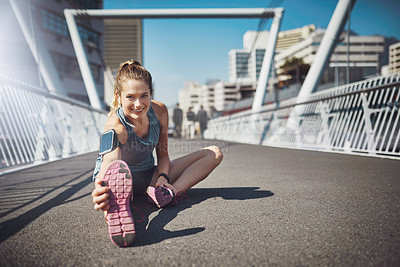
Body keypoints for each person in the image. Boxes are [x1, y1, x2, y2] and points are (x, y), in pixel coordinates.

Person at [91, 60, 223, 247]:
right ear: (118, 96)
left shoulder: (160, 111)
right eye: (130, 97)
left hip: (148, 177)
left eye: (144, 95)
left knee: (214, 153)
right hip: (117, 180)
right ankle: (116, 211)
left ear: (151, 93)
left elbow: (162, 155)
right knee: (111, 194)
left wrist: (163, 177)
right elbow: (110, 160)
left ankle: (169, 192)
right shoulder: (115, 124)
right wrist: (101, 186)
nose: (138, 104)